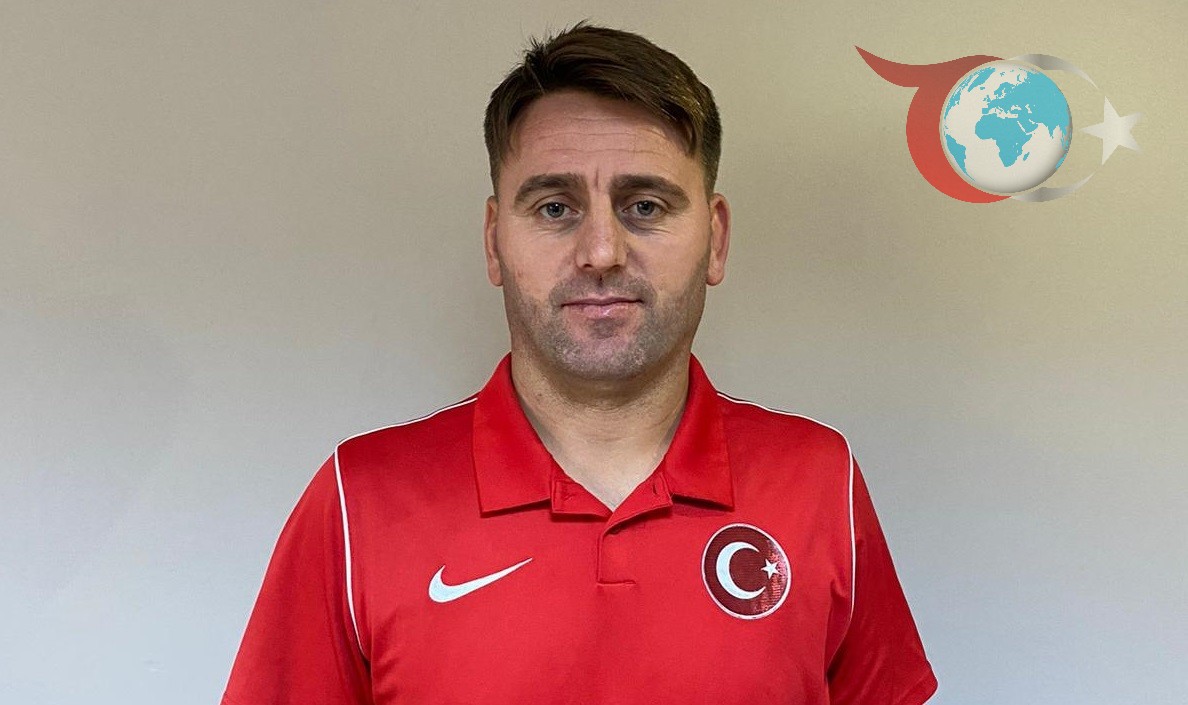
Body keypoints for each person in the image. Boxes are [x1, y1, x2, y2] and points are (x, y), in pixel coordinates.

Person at [222, 23, 937, 705]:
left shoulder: (819, 481)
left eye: (645, 205)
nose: (601, 252)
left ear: (716, 240)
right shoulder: (358, 502)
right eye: (555, 208)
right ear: (494, 241)